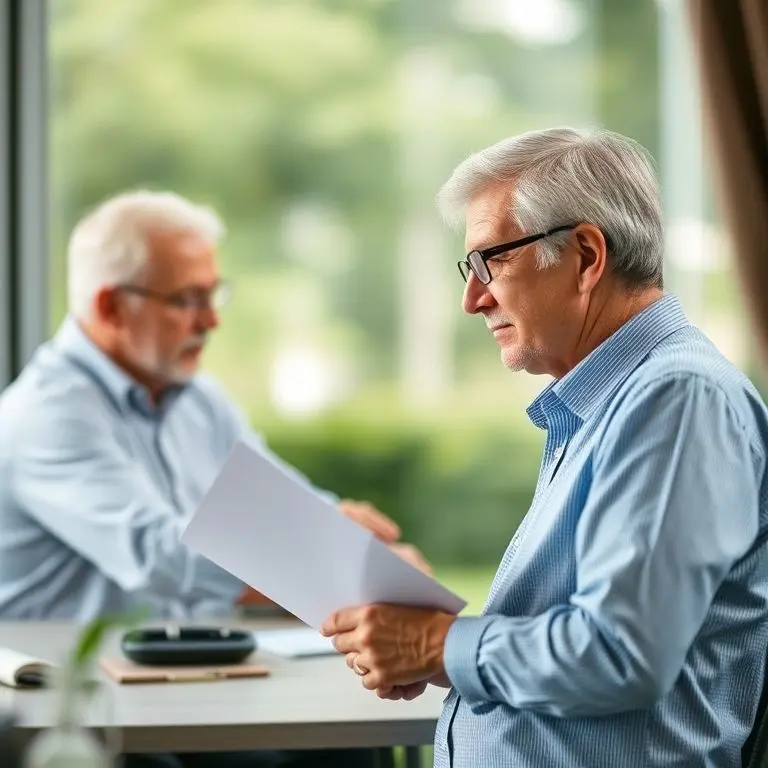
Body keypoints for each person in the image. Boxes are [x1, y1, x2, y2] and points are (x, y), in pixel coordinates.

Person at [321, 127, 768, 767]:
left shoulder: (676, 399)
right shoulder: (611, 402)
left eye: (490, 261)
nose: (473, 299)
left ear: (586, 256)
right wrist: (427, 638)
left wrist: (434, 646)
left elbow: (621, 653)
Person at [0, 190, 427, 768]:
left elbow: (290, 502)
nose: (212, 318)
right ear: (110, 307)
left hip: (183, 686)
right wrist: (337, 557)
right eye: (187, 299)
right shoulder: (46, 413)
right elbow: (162, 555)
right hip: (76, 706)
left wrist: (374, 565)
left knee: (354, 746)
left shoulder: (197, 397)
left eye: (213, 293)